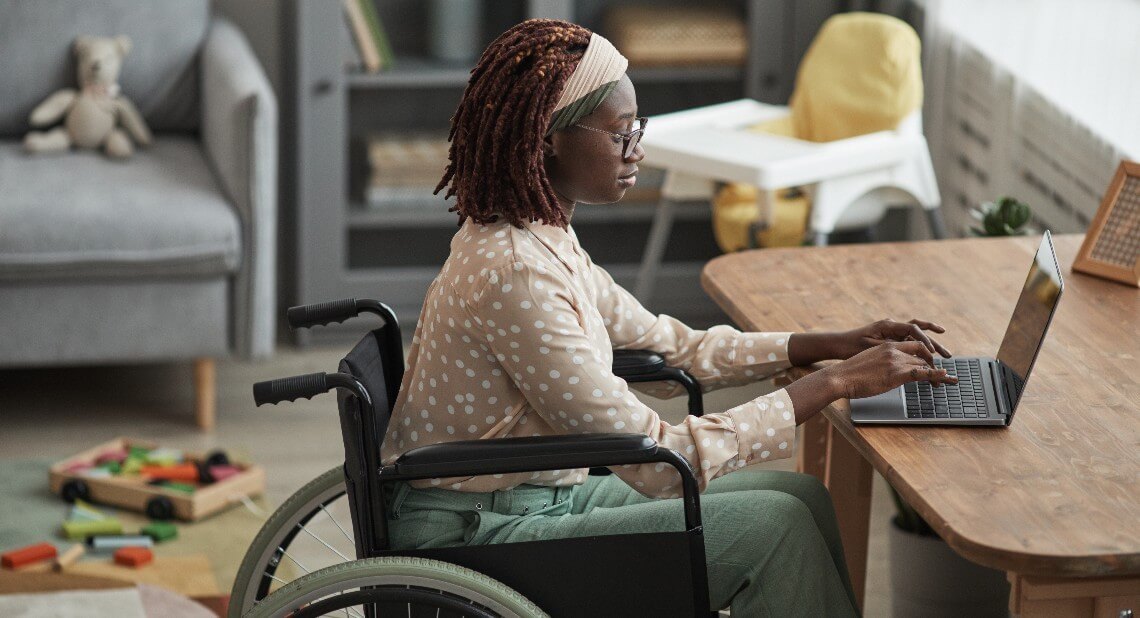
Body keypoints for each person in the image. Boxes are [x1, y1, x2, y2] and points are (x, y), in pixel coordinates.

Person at [380, 18, 957, 616]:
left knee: (802, 495)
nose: (638, 151)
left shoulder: (544, 238)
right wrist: (834, 383)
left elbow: (670, 347)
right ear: (549, 138)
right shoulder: (517, 273)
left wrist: (830, 345)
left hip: (527, 496)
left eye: (639, 130)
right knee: (775, 526)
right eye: (620, 133)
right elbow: (659, 463)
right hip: (473, 538)